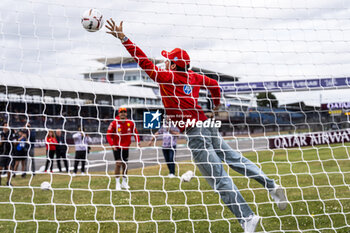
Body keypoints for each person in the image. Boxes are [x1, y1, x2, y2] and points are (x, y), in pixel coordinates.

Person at [106, 19, 287, 232]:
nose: (164, 63)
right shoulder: (193, 76)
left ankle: (247, 217)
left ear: (173, 65)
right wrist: (216, 107)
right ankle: (272, 185)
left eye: (167, 60)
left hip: (196, 131)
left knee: (218, 179)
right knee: (235, 160)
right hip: (207, 124)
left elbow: (144, 62)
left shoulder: (168, 76)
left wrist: (124, 39)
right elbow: (215, 85)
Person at [106, 107, 140, 190]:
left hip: (126, 147)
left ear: (126, 114)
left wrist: (138, 141)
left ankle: (124, 182)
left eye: (124, 112)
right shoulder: (114, 123)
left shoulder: (130, 123)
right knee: (118, 163)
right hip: (117, 147)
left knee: (125, 164)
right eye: (121, 112)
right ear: (119, 113)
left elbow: (135, 132)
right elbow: (108, 135)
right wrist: (112, 144)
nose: (123, 113)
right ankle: (117, 183)